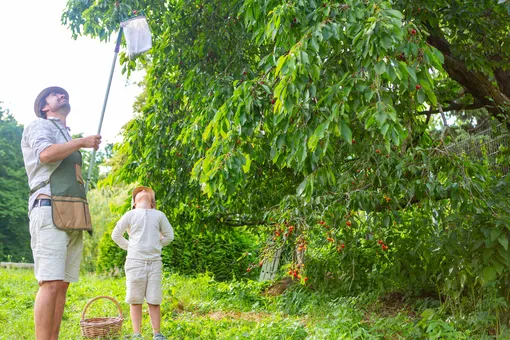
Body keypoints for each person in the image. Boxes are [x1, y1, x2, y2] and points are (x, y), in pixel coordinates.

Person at [21, 86, 102, 339]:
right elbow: (45, 155)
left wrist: (77, 143)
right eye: (55, 94)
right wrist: (81, 142)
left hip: (72, 213)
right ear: (45, 106)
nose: (61, 95)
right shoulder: (40, 125)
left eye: (64, 93)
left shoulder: (65, 134)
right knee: (50, 282)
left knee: (62, 285)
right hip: (48, 208)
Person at [112, 186, 174, 340]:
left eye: (147, 192)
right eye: (139, 192)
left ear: (152, 203)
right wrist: (130, 247)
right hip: (135, 262)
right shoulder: (130, 214)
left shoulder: (159, 215)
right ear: (134, 202)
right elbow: (116, 234)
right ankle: (137, 334)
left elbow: (169, 235)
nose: (143, 192)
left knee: (154, 299)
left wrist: (158, 243)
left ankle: (157, 333)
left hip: (154, 263)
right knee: (135, 299)